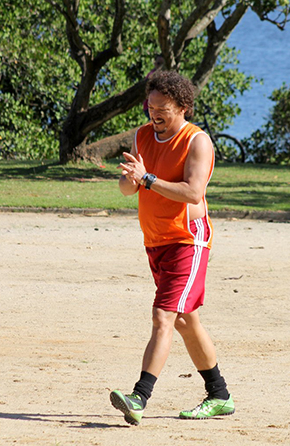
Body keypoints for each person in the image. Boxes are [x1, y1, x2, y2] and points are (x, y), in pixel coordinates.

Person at [111, 71, 234, 426]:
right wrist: (130, 178)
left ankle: (139, 397)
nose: (154, 114)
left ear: (182, 107)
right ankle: (220, 395)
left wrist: (148, 179)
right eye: (150, 107)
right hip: (156, 240)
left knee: (163, 315)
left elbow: (193, 193)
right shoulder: (142, 136)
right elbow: (127, 190)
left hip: (188, 239)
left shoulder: (198, 142)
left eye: (162, 108)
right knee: (184, 319)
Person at [142, 54, 165, 120]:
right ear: (155, 64)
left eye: (162, 64)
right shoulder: (152, 74)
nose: (160, 66)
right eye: (158, 63)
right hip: (151, 107)